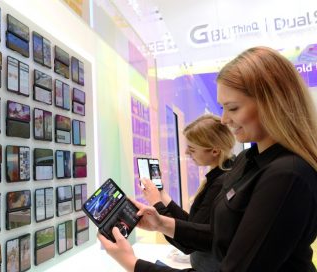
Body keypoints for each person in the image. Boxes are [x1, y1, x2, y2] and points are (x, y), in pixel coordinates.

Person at [98, 46, 317, 272]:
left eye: (232, 108)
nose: (224, 119)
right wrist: (161, 223)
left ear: (272, 103)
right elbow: (223, 236)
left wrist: (133, 264)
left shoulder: (287, 175)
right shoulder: (248, 159)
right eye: (222, 108)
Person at [140, 114, 235, 272]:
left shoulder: (221, 183)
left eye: (191, 149)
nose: (185, 153)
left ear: (214, 151)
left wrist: (157, 204)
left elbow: (189, 241)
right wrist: (163, 197)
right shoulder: (223, 175)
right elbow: (194, 224)